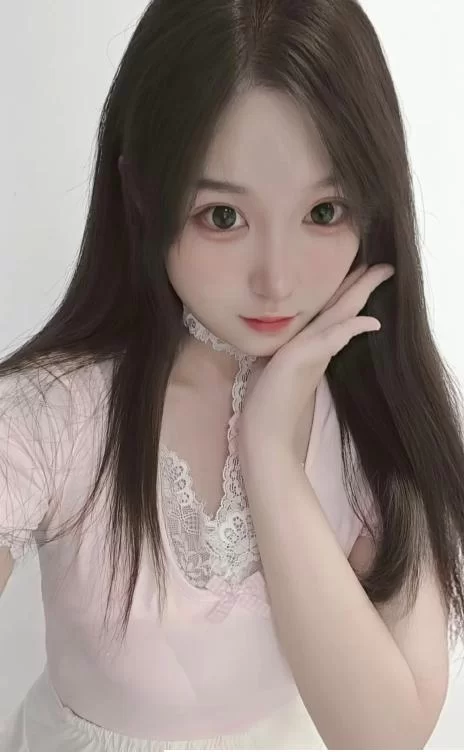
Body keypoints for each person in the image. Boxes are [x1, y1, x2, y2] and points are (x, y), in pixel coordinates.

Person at [0, 0, 462, 749]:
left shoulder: (375, 419)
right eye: (223, 217)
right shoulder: (55, 417)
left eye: (324, 211)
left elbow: (383, 738)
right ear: (141, 195)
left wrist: (270, 451)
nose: (277, 281)